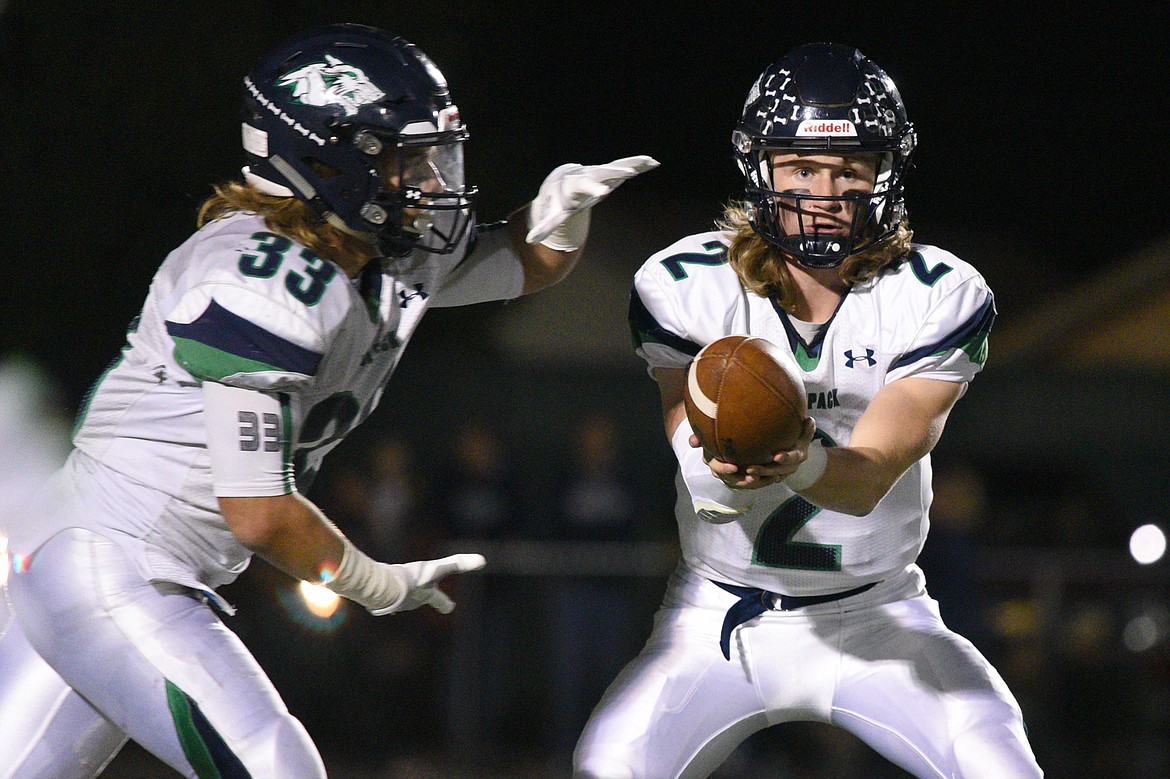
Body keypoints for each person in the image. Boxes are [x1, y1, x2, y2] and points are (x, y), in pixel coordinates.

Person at [0, 23, 656, 778]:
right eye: (408, 160)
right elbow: (259, 511)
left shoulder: (381, 255)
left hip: (119, 565)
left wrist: (563, 215)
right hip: (110, 563)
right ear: (327, 159)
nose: (434, 181)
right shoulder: (259, 276)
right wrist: (374, 581)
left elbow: (523, 264)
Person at [573, 43, 1043, 779]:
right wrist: (720, 463)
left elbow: (866, 480)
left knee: (998, 762)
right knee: (610, 763)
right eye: (800, 166)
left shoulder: (936, 294)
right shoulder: (686, 284)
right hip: (719, 620)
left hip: (878, 614)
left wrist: (798, 454)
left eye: (847, 168)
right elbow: (704, 477)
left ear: (884, 174)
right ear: (760, 168)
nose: (823, 190)